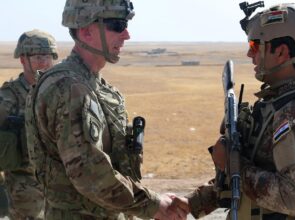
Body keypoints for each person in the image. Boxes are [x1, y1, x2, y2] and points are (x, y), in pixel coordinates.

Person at [173, 2, 295, 220]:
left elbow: (290, 198)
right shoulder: (278, 105)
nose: (249, 54)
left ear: (281, 52)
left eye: (255, 46)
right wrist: (193, 202)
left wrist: (232, 163)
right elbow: (253, 175)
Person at [25, 0, 185, 220]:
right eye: (117, 25)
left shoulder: (95, 86)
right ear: (86, 30)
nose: (126, 35)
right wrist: (153, 205)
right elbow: (90, 174)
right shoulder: (70, 88)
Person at [0, 29, 58, 219]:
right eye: (39, 57)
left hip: (61, 187)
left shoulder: (62, 93)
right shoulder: (8, 99)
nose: (45, 63)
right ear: (23, 59)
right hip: (24, 192)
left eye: (49, 56)